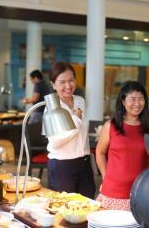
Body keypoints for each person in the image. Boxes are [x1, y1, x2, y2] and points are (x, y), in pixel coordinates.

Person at [96, 81, 149, 211]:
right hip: (112, 192)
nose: (137, 104)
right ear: (123, 101)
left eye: (141, 99)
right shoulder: (110, 126)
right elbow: (100, 152)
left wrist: (146, 179)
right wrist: (105, 175)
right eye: (132, 99)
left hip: (139, 192)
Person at [46, 61, 95, 198]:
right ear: (53, 84)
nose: (68, 86)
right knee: (63, 209)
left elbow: (82, 134)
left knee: (87, 205)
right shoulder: (51, 108)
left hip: (84, 163)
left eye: (71, 80)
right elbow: (55, 142)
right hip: (62, 166)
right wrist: (76, 119)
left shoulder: (80, 101)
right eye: (62, 82)